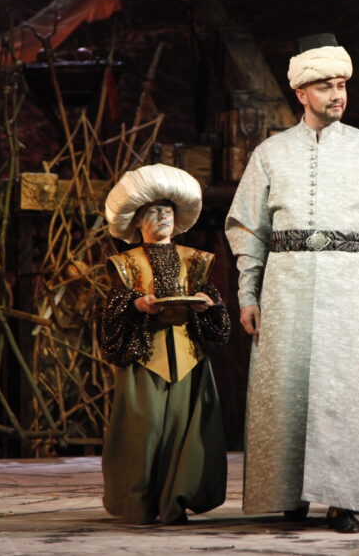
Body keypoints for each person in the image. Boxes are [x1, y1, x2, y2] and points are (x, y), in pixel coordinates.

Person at [225, 33, 359, 533]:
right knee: (286, 387)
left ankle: (343, 499)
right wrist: (247, 294)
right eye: (325, 87)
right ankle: (287, 494)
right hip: (285, 286)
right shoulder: (270, 154)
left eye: (342, 85)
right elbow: (249, 229)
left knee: (343, 389)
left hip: (347, 285)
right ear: (301, 93)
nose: (338, 95)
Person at [99, 163, 231, 525]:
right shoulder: (126, 262)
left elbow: (214, 306)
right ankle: (140, 504)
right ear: (138, 221)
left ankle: (176, 503)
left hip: (188, 356)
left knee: (184, 429)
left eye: (168, 212)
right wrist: (135, 304)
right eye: (154, 211)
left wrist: (206, 305)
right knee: (144, 428)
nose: (162, 217)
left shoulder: (195, 260)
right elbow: (112, 310)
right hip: (146, 355)